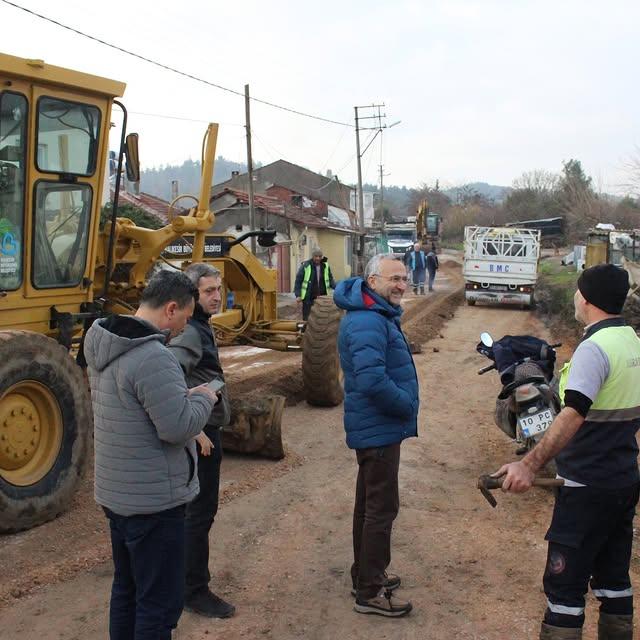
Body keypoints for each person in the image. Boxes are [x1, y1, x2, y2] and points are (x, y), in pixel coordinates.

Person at [495, 264, 640, 640]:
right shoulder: (632, 342)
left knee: (565, 589)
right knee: (614, 582)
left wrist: (528, 465)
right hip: (622, 482)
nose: (575, 298)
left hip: (584, 485)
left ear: (587, 299)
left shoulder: (595, 349)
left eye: (578, 291)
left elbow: (573, 413)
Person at [83, 270, 219, 640]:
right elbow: (176, 427)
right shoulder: (153, 356)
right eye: (187, 319)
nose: (183, 328)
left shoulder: (103, 341)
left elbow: (137, 409)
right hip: (154, 502)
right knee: (158, 605)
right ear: (171, 309)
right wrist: (204, 398)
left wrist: (179, 399)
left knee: (126, 590)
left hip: (117, 495)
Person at [333, 253, 419, 618]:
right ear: (371, 282)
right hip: (380, 426)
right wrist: (405, 405)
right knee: (381, 510)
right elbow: (371, 379)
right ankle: (370, 591)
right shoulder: (369, 321)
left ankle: (365, 574)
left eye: (403, 278)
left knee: (368, 507)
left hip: (376, 427)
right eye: (393, 279)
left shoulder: (374, 314)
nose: (400, 285)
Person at [168, 263, 235, 619]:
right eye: (208, 291)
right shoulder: (191, 333)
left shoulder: (200, 328)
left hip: (204, 430)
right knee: (199, 515)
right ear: (192, 296)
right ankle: (194, 591)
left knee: (194, 514)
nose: (216, 295)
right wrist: (194, 429)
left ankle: (184, 584)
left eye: (218, 288)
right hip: (202, 438)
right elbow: (169, 374)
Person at [294, 248, 336, 320]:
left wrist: (337, 287)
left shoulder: (325, 266)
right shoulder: (306, 266)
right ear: (312, 256)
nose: (318, 258)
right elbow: (298, 281)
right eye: (316, 256)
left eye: (320, 256)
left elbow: (330, 279)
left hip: (323, 297)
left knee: (322, 316)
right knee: (307, 317)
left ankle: (320, 331)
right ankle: (305, 330)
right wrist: (298, 295)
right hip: (309, 297)